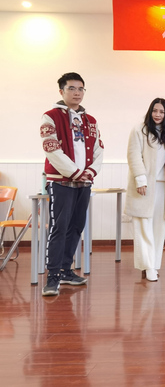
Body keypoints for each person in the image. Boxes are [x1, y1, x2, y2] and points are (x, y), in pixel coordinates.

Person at [40, 72, 104, 296]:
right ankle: (53, 276)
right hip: (61, 181)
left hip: (84, 182)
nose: (77, 93)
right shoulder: (50, 117)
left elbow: (99, 149)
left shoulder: (90, 120)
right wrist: (76, 173)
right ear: (61, 91)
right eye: (71, 88)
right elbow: (51, 149)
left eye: (80, 89)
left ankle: (66, 270)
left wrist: (90, 172)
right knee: (59, 227)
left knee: (76, 226)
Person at [125, 98, 165, 282]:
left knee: (158, 226)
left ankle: (154, 264)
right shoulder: (139, 130)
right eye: (155, 110)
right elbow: (133, 156)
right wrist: (140, 179)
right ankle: (147, 266)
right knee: (143, 224)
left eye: (162, 112)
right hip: (144, 185)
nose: (158, 114)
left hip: (163, 185)